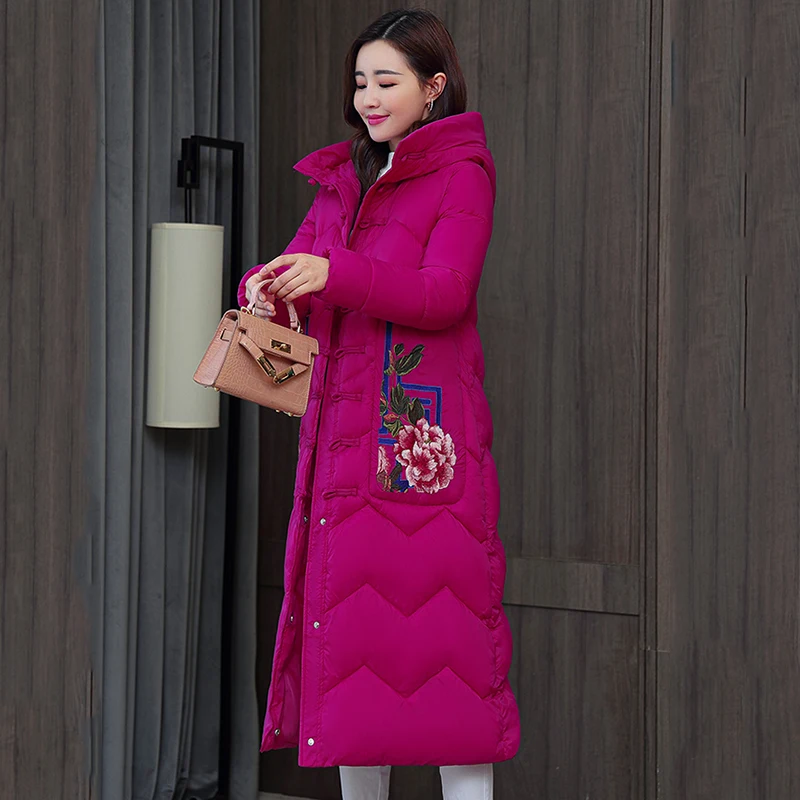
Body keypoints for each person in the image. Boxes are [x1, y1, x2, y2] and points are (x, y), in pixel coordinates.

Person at [238, 8, 520, 799]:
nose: (367, 96)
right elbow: (302, 271)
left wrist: (336, 275)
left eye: (386, 80)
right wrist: (268, 287)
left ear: (433, 87)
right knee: (351, 668)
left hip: (417, 439)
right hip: (338, 447)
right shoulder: (344, 179)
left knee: (453, 669)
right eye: (360, 81)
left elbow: (445, 293)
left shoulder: (462, 174)